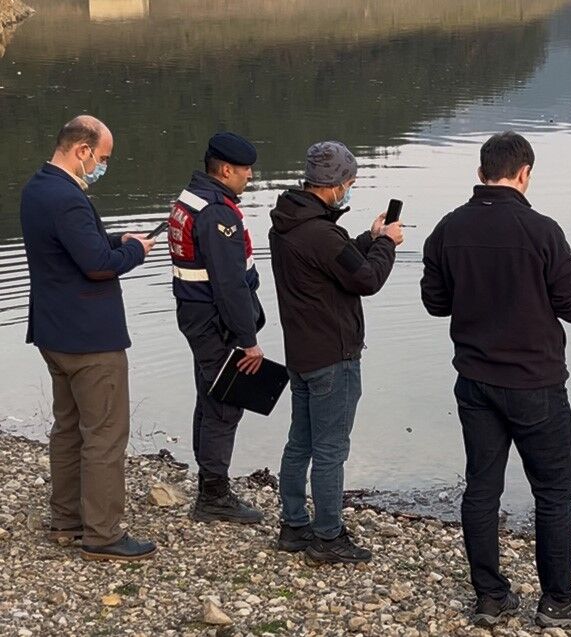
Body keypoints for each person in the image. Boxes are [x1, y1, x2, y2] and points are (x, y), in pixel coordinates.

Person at [421, 132, 571, 628]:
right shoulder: (543, 231)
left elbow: (435, 303)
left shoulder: (447, 229)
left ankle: (491, 597)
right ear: (524, 173)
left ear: (482, 172)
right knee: (552, 492)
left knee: (481, 489)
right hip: (535, 383)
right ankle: (558, 602)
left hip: (475, 379)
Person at [19, 115, 157, 561]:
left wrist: (116, 236)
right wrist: (136, 250)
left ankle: (66, 521)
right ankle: (103, 535)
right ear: (82, 151)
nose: (101, 167)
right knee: (104, 434)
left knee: (68, 429)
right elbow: (97, 265)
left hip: (53, 333)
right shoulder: (68, 199)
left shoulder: (38, 188)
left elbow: (73, 246)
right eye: (102, 158)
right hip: (90, 340)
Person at [269, 141, 402, 564]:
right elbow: (365, 279)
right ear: (335, 185)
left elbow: (335, 260)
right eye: (350, 182)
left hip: (302, 352)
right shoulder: (322, 233)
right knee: (330, 449)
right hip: (334, 355)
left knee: (300, 442)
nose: (350, 188)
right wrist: (388, 245)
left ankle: (293, 525)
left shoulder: (288, 224)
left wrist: (369, 236)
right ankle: (328, 536)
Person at [169, 132, 266, 524]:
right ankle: (213, 495)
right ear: (225, 170)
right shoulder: (217, 213)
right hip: (215, 321)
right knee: (224, 404)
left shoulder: (190, 197)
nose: (250, 177)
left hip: (195, 315)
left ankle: (210, 484)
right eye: (245, 171)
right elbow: (229, 284)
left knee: (208, 397)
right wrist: (248, 341)